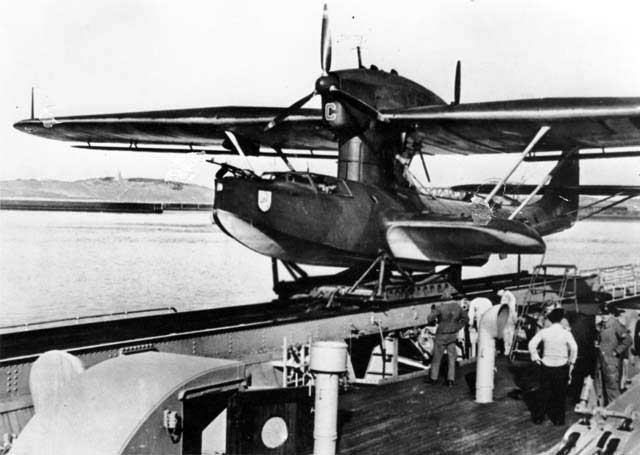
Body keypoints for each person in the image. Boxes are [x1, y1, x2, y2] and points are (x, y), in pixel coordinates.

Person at [528, 308, 578, 425]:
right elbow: (574, 348)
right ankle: (559, 419)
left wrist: (536, 358)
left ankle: (539, 417)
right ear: (561, 320)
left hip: (546, 365)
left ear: (550, 320)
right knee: (560, 394)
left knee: (544, 392)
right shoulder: (566, 333)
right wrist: (571, 361)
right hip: (561, 366)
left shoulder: (544, 332)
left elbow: (531, 344)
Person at [427, 290, 469, 386]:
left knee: (437, 357)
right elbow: (466, 319)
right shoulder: (457, 307)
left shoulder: (440, 307)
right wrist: (457, 327)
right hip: (452, 335)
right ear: (451, 297)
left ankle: (434, 378)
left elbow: (430, 319)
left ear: (442, 298)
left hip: (441, 335)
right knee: (451, 357)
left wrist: (433, 311)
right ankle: (450, 380)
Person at [597, 304, 632, 403]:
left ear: (612, 314)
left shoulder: (616, 325)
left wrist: (616, 351)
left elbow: (628, 339)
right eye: (602, 314)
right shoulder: (601, 325)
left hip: (611, 363)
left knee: (612, 389)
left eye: (606, 314)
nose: (604, 316)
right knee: (602, 387)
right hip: (602, 362)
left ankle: (616, 412)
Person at [498, 289, 518, 354]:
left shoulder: (506, 296)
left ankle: (507, 350)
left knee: (507, 336)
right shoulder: (510, 296)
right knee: (509, 335)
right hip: (510, 319)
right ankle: (509, 350)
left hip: (507, 318)